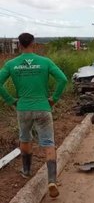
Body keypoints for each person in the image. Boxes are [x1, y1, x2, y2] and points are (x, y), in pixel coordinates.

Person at [0, 33, 67, 198]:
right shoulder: (45, 62)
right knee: (48, 143)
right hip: (43, 107)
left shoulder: (11, 64)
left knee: (25, 138)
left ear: (20, 45)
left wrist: (10, 100)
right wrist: (54, 99)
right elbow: (63, 79)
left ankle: (26, 170)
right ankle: (51, 180)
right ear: (33, 44)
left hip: (23, 108)